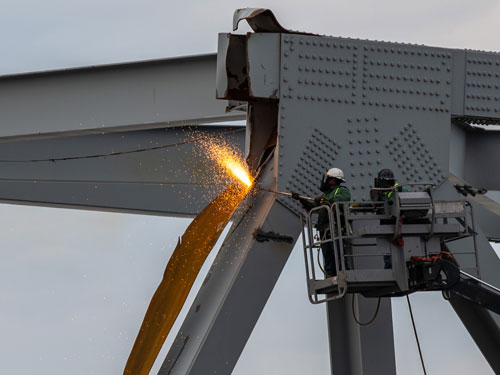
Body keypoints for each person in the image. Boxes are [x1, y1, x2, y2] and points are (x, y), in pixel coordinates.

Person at [292, 168, 350, 277]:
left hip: (335, 228)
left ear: (334, 180)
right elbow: (313, 207)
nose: (327, 181)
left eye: (329, 178)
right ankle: (331, 274)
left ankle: (343, 273)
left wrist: (327, 201)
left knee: (337, 252)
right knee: (327, 253)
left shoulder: (342, 190)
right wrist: (301, 199)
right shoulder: (325, 195)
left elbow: (342, 199)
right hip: (324, 229)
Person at [372, 168, 407, 269]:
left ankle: (399, 266)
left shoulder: (400, 190)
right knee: (387, 250)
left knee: (399, 249)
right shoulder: (382, 193)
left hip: (398, 223)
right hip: (386, 223)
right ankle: (389, 266)